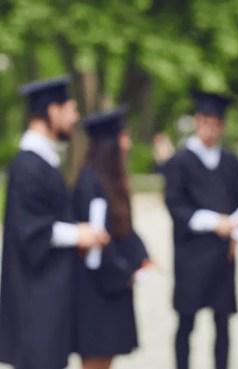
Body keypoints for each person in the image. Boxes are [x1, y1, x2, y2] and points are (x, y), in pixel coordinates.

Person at [0, 76, 110, 369]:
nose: (75, 118)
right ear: (52, 111)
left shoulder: (43, 161)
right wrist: (79, 234)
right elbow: (30, 230)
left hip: (46, 298)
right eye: (70, 109)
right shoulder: (28, 165)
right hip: (34, 302)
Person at [164, 92, 238, 369]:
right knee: (186, 320)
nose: (209, 128)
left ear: (221, 126)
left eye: (215, 123)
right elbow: (176, 206)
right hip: (192, 252)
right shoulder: (180, 162)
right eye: (204, 122)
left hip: (222, 255)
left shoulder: (230, 162)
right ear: (197, 122)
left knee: (222, 321)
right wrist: (215, 222)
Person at [72, 106, 153, 369]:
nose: (127, 143)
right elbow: (99, 244)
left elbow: (122, 230)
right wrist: (124, 273)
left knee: (107, 361)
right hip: (96, 292)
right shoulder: (90, 183)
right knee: (96, 360)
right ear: (110, 144)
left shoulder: (110, 181)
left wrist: (142, 257)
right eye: (123, 137)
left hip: (110, 288)